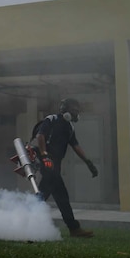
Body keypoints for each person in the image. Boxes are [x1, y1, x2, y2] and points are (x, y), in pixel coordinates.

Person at [33, 98, 98, 238]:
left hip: (56, 163)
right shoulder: (52, 119)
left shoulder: (69, 127)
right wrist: (44, 156)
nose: (76, 113)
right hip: (47, 162)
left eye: (77, 111)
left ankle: (23, 218)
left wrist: (88, 162)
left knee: (47, 193)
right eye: (74, 110)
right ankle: (74, 228)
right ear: (65, 110)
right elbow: (40, 136)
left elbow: (76, 146)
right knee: (59, 194)